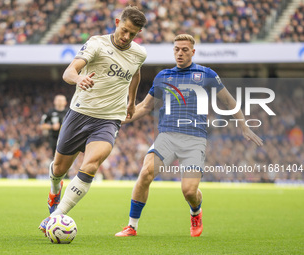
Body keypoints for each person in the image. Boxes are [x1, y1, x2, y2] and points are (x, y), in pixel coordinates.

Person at [115, 34, 263, 237]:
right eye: (176, 49)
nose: (180, 53)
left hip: (195, 139)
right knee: (146, 172)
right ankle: (132, 226)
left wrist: (244, 126)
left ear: (193, 52)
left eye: (185, 49)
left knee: (189, 191)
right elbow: (145, 107)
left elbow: (229, 102)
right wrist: (120, 119)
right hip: (167, 136)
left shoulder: (206, 74)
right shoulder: (163, 76)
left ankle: (196, 211)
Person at [39, 6, 147, 234]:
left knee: (91, 165)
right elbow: (68, 71)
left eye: (133, 34)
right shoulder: (97, 44)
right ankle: (54, 188)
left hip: (109, 119)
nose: (126, 37)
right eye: (124, 30)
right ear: (118, 22)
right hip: (80, 113)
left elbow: (136, 72)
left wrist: (131, 101)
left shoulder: (139, 53)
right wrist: (79, 79)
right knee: (59, 169)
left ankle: (56, 216)